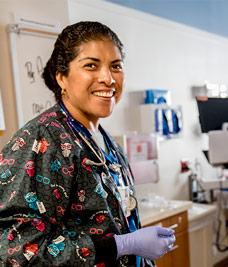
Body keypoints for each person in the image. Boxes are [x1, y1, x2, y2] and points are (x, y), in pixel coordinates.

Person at [0, 21, 175, 266]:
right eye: (91, 65)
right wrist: (121, 245)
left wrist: (134, 239)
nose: (108, 78)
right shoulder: (42, 140)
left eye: (116, 66)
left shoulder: (103, 140)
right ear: (62, 77)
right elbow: (15, 252)